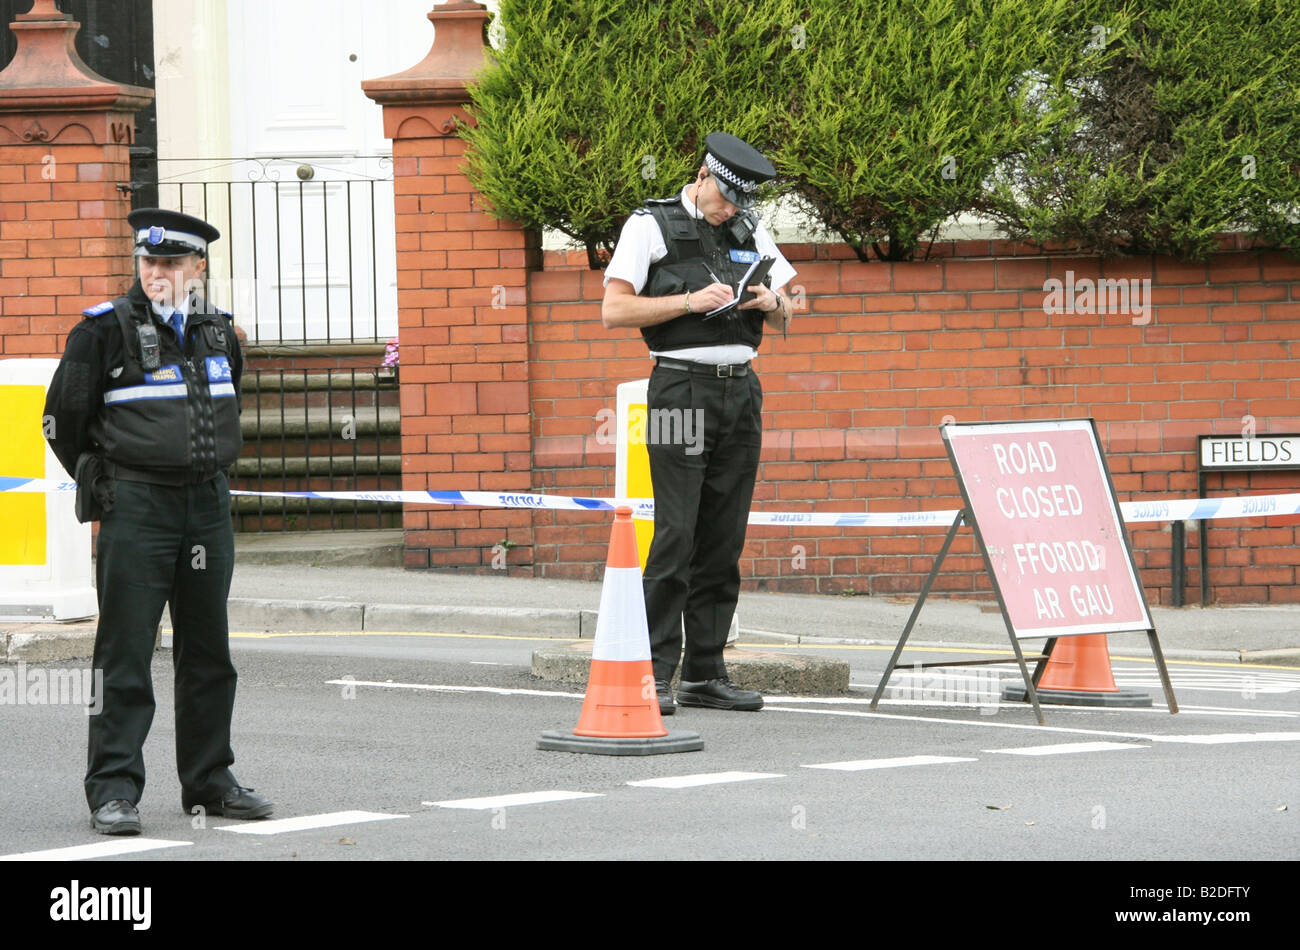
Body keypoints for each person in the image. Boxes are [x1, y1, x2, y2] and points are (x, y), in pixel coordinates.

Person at [44, 208, 274, 835]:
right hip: (137, 506)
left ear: (198, 268)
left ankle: (210, 781)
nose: (156, 273)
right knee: (125, 652)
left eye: (171, 262)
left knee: (209, 652)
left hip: (205, 505)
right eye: (148, 262)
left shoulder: (219, 332)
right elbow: (62, 420)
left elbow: (229, 408)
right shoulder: (101, 332)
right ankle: (113, 790)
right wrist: (109, 477)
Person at [601, 132, 797, 714]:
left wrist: (773, 304)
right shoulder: (650, 225)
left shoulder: (749, 229)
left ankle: (705, 673)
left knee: (723, 537)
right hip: (678, 388)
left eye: (741, 203)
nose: (732, 211)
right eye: (726, 199)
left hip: (742, 392)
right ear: (704, 177)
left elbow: (795, 305)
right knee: (676, 533)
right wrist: (688, 302)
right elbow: (613, 309)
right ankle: (655, 672)